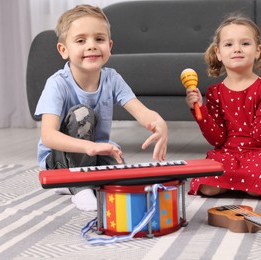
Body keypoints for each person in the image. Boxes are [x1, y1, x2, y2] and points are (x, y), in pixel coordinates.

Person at [35, 5, 168, 211]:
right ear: (64, 50)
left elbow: (141, 112)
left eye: (99, 39)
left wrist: (159, 123)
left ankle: (73, 181)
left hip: (96, 150)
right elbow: (48, 136)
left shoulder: (112, 78)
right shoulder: (57, 84)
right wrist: (88, 147)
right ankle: (78, 186)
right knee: (82, 113)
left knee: (121, 172)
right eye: (81, 40)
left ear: (109, 45)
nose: (92, 46)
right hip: (58, 159)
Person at [185, 15, 261, 198]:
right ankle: (238, 182)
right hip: (227, 154)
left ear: (258, 51)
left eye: (245, 44)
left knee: (258, 181)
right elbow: (216, 139)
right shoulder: (214, 92)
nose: (237, 49)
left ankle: (236, 183)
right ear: (218, 53)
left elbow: (260, 138)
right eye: (228, 45)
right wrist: (199, 108)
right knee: (205, 184)